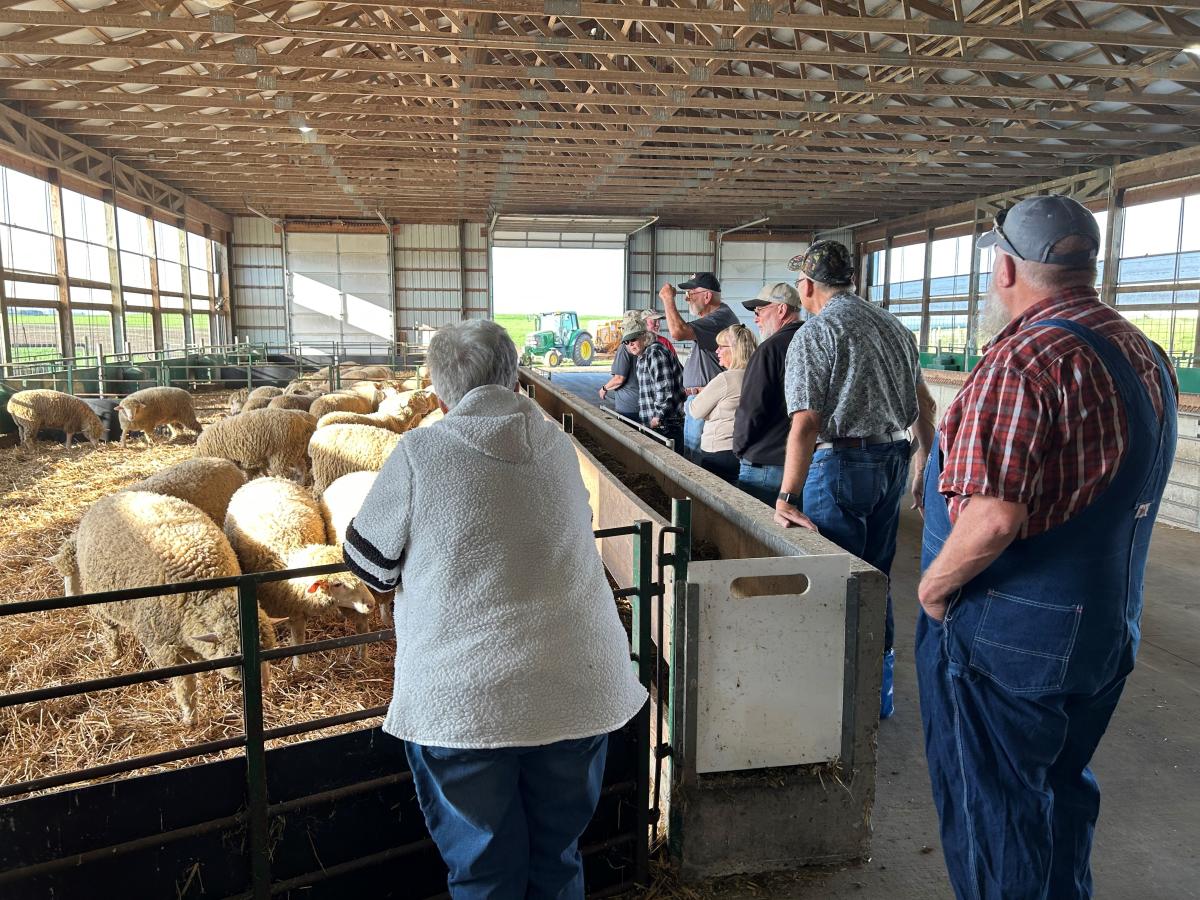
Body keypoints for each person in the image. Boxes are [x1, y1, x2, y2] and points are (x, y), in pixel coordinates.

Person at [915, 196, 1178, 900]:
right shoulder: (1138, 349)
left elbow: (994, 518)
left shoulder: (1024, 361)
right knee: (1060, 795)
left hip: (1012, 637)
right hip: (1104, 629)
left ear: (1005, 269)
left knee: (996, 813)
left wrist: (934, 588)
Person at [342, 319, 648, 899]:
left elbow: (369, 564)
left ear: (439, 392)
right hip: (577, 686)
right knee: (556, 859)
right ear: (515, 380)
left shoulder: (421, 451)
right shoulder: (558, 445)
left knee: (486, 872)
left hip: (468, 698)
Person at [775, 240, 937, 720]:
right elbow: (925, 405)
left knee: (832, 582)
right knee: (875, 579)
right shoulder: (893, 326)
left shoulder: (817, 332)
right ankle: (876, 693)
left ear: (808, 285)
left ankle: (830, 704)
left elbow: (806, 423)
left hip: (840, 465)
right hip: (893, 460)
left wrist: (787, 495)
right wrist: (924, 465)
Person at [732, 282, 805, 505]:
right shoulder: (813, 342)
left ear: (781, 310)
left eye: (760, 311)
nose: (756, 319)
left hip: (765, 464)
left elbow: (751, 409)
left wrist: (740, 448)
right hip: (804, 464)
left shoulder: (770, 349)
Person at [657, 273, 739, 462]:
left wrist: (668, 299)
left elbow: (678, 332)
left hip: (706, 401)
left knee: (697, 461)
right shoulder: (714, 319)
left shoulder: (719, 318)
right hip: (700, 399)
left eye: (691, 293)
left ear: (707, 296)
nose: (687, 299)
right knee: (692, 456)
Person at [690, 323, 757, 484]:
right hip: (741, 450)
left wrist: (706, 407)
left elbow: (695, 410)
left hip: (718, 450)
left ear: (735, 350)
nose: (717, 351)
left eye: (721, 347)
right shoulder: (756, 375)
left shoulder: (726, 379)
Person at [623, 323, 685, 451]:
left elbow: (664, 388)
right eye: (626, 342)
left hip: (666, 423)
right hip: (655, 424)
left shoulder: (655, 352)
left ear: (644, 336)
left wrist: (657, 417)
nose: (630, 344)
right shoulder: (641, 357)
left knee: (669, 460)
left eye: (633, 339)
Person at [598, 310, 643, 418]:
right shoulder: (647, 344)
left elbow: (619, 379)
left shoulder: (625, 347)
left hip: (629, 406)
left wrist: (604, 388)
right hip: (645, 404)